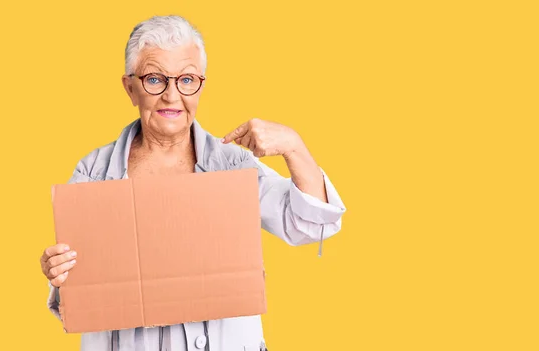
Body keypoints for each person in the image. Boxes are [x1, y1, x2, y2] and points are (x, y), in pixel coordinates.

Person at [39, 15, 346, 351]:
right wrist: (60, 273)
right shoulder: (93, 173)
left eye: (186, 80)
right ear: (130, 88)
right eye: (155, 79)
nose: (172, 96)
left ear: (200, 86)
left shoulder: (232, 166)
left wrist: (293, 146)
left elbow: (310, 225)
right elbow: (78, 300)